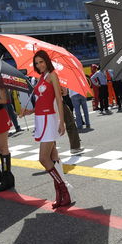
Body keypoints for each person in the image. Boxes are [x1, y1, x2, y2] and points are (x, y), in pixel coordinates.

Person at [20, 50, 73, 208]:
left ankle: (64, 190)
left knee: (43, 159)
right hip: (40, 120)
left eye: (41, 62)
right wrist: (29, 111)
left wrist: (61, 122)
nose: (39, 65)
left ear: (47, 61)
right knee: (53, 157)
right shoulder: (41, 77)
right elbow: (42, 102)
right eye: (36, 63)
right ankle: (59, 193)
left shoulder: (52, 75)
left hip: (50, 120)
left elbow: (58, 99)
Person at [61, 87, 83, 153]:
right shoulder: (55, 77)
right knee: (70, 123)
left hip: (48, 106)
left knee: (50, 129)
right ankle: (75, 147)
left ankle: (51, 152)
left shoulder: (42, 79)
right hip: (59, 102)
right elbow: (64, 93)